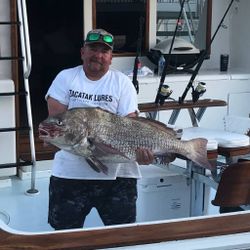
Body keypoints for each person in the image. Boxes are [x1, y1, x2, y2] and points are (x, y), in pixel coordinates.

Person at [45, 28, 154, 230]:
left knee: (121, 238)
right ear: (82, 52)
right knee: (64, 239)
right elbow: (56, 124)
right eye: (93, 49)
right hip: (70, 176)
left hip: (119, 177)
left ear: (111, 57)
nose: (98, 55)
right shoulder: (66, 78)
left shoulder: (122, 83)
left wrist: (143, 152)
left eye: (104, 51)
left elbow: (131, 127)